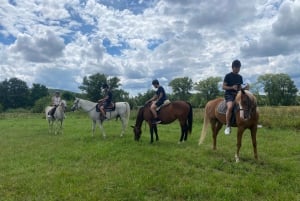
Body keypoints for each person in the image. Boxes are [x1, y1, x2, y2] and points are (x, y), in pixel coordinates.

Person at [222, 60, 249, 135]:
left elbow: (239, 88)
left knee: (247, 103)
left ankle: (248, 121)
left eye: (239, 68)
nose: (238, 69)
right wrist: (231, 87)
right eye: (236, 68)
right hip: (229, 95)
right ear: (233, 67)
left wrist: (245, 88)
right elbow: (223, 87)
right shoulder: (228, 76)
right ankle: (227, 126)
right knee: (230, 107)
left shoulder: (240, 77)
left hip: (237, 95)